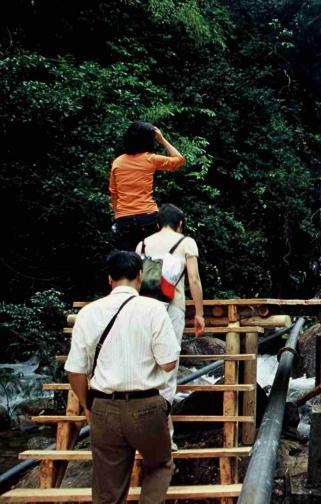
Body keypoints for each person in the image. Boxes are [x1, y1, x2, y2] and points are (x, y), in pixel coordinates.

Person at [65, 251, 180, 504]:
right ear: (140, 277)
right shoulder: (154, 309)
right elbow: (169, 363)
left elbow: (75, 370)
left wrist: (87, 405)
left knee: (107, 488)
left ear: (109, 279)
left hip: (103, 408)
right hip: (146, 407)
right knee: (159, 465)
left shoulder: (88, 312)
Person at [138, 204, 205, 449]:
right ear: (180, 224)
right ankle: (164, 436)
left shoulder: (142, 244)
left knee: (146, 363)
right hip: (172, 307)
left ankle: (140, 432)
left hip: (144, 309)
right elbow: (194, 279)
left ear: (158, 224)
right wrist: (199, 313)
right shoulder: (187, 243)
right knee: (168, 367)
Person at [110, 121, 185, 251]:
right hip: (148, 216)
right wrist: (162, 140)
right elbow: (179, 160)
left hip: (124, 218)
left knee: (126, 264)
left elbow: (114, 192)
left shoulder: (118, 162)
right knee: (151, 261)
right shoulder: (150, 159)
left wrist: (120, 214)